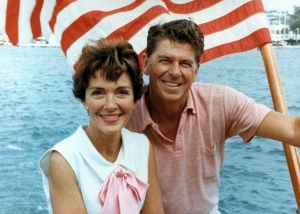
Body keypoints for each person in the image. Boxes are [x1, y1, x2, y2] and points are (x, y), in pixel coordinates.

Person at [125, 19, 300, 214]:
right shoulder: (124, 113)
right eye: (165, 60)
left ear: (196, 70)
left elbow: (293, 129)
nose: (175, 72)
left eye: (185, 63)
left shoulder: (220, 102)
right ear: (146, 63)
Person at [39, 38, 164, 214]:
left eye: (122, 92)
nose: (110, 104)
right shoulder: (64, 160)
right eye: (98, 93)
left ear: (135, 100)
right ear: (84, 100)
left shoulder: (142, 146)